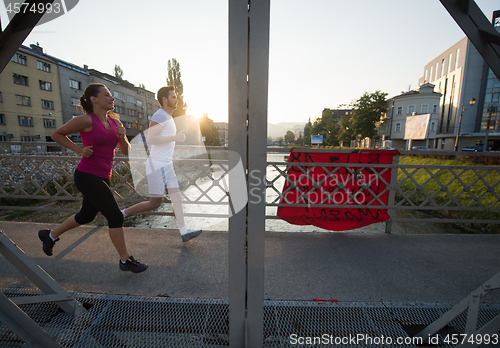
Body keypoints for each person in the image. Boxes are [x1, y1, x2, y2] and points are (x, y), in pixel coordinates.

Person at [38, 83, 148, 273]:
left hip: (104, 176)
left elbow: (126, 151)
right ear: (94, 99)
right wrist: (79, 149)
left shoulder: (115, 122)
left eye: (111, 95)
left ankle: (50, 235)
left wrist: (122, 137)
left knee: (85, 216)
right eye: (107, 95)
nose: (112, 98)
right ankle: (125, 260)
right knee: (114, 216)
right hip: (87, 175)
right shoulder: (86, 121)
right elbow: (56, 134)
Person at [122, 86, 202, 242]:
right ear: (164, 100)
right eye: (173, 97)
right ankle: (122, 214)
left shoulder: (168, 117)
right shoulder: (160, 115)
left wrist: (176, 137)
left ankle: (184, 232)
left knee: (176, 198)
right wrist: (175, 138)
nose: (176, 100)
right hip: (157, 165)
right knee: (154, 203)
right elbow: (150, 139)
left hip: (166, 165)